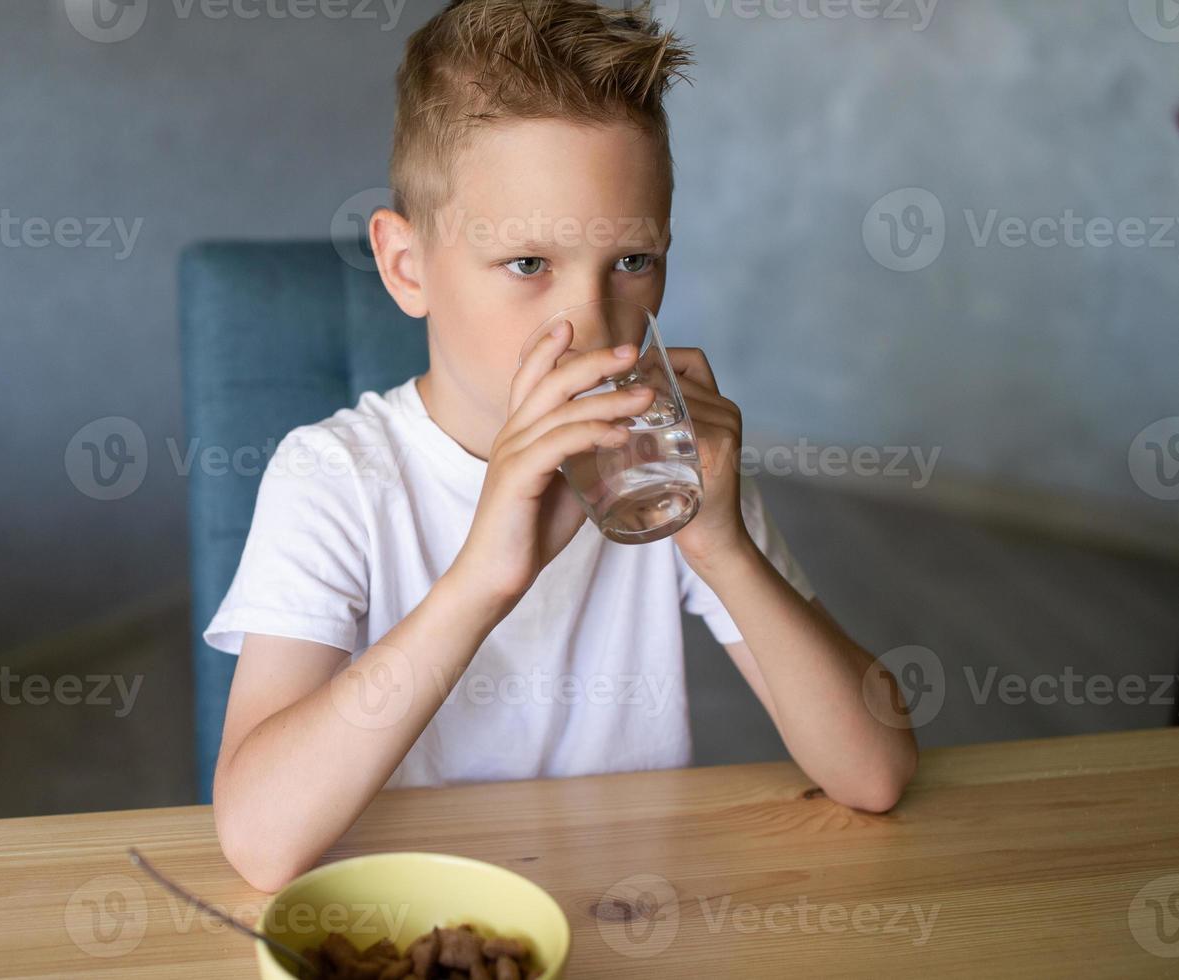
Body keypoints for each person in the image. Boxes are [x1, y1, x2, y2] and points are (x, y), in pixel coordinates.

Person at [202, 0, 917, 892]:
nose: (588, 327)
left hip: (623, 899)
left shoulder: (664, 461)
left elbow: (874, 774)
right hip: (414, 909)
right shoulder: (336, 476)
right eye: (528, 264)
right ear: (406, 266)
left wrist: (724, 549)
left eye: (630, 262)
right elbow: (260, 841)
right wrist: (480, 583)